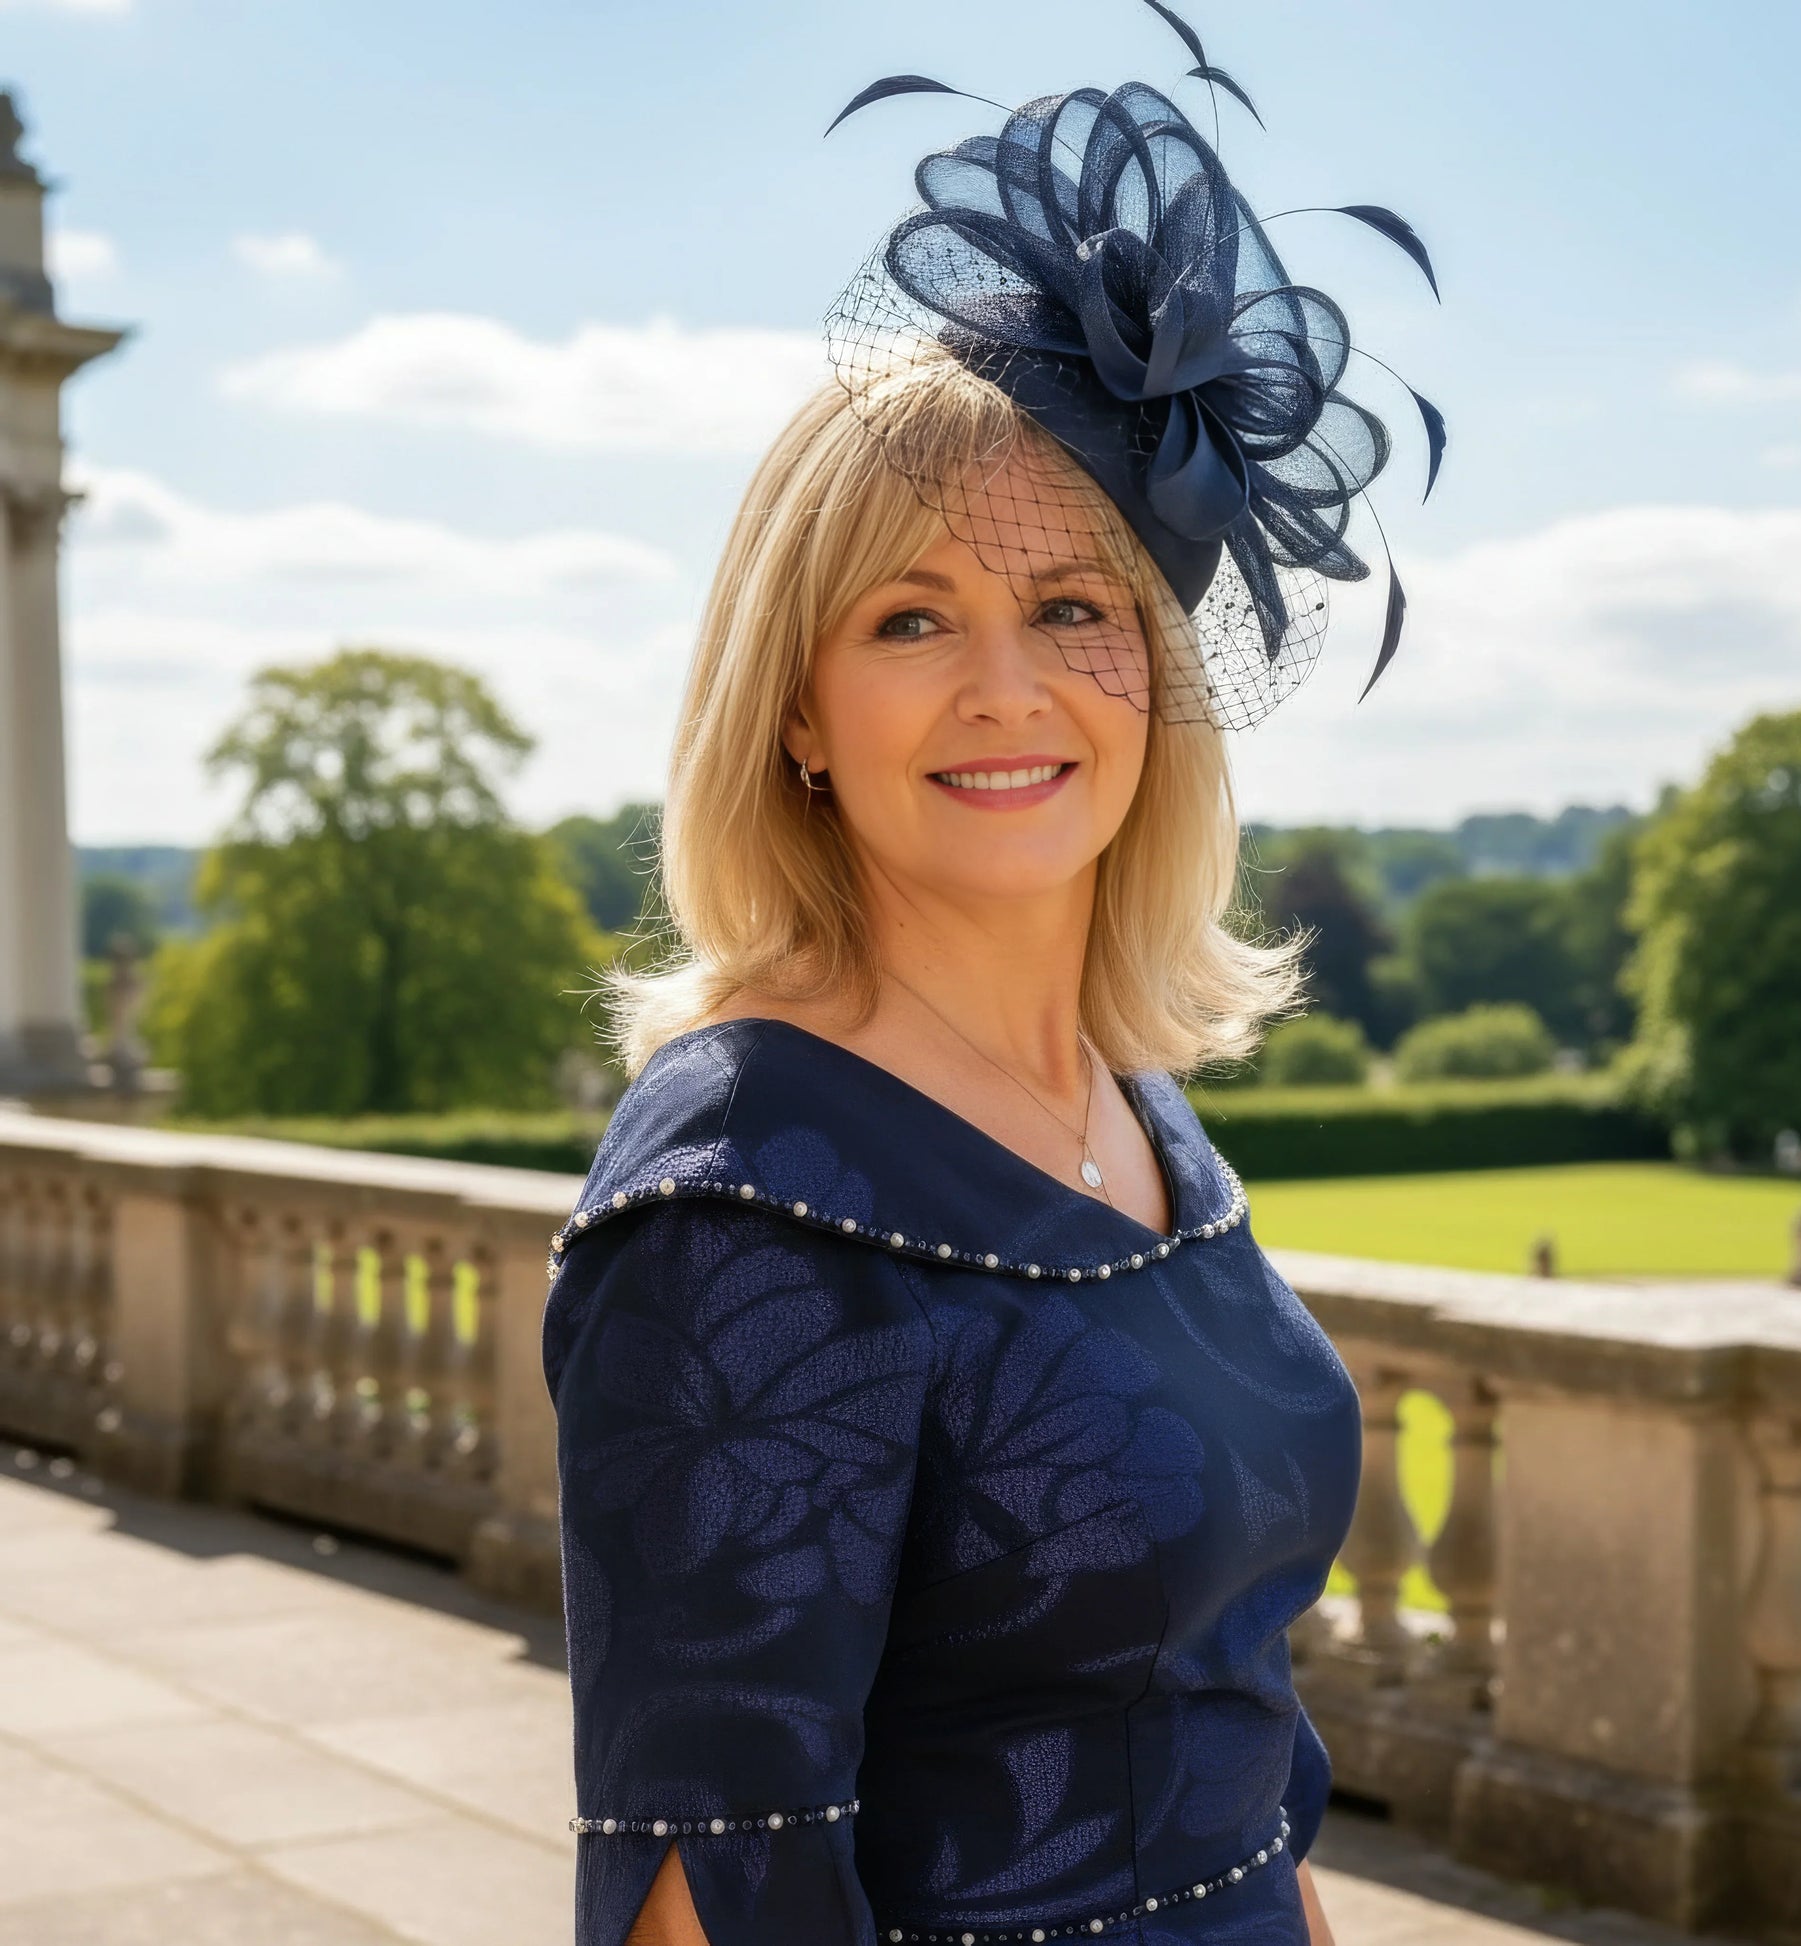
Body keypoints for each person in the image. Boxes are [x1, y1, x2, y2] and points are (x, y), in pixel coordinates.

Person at [543, 14, 1442, 1944]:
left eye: (1069, 608)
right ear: (796, 705)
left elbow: (1227, 1733)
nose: (1006, 689)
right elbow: (715, 1889)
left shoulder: (1138, 1107)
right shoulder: (741, 1187)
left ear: (1158, 678)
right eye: (909, 617)